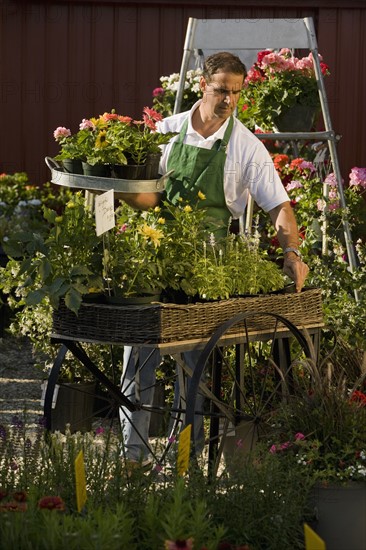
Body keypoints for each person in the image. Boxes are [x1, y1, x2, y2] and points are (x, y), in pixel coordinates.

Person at [119, 51, 309, 465]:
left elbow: (279, 206)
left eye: (236, 93)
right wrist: (119, 187)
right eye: (222, 90)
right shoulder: (166, 133)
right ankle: (132, 457)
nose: (229, 101)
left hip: (208, 269)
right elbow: (148, 198)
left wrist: (292, 252)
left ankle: (182, 455)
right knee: (140, 355)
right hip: (155, 258)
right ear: (202, 86)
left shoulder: (246, 147)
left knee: (195, 368)